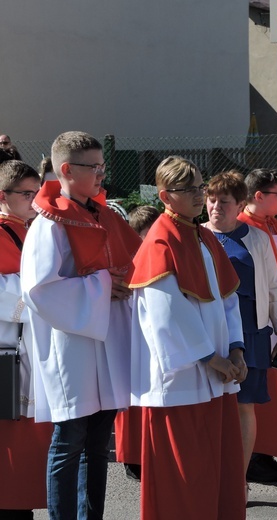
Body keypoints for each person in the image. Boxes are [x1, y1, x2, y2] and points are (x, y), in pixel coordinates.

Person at [20, 131, 141, 519]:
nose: (102, 174)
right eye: (94, 167)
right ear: (68, 170)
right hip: (71, 346)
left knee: (96, 442)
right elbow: (40, 290)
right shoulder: (49, 223)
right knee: (69, 440)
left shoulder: (104, 214)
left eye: (103, 166)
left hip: (107, 341)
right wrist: (105, 285)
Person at [127, 156, 247, 520]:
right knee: (185, 475)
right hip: (183, 380)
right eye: (190, 189)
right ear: (166, 195)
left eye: (201, 186)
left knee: (216, 468)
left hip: (218, 374)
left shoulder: (204, 236)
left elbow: (228, 298)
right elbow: (167, 316)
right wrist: (213, 359)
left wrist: (237, 351)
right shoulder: (160, 242)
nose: (200, 195)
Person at [203, 170, 277, 494]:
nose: (215, 207)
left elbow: (272, 288)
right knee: (211, 409)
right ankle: (213, 478)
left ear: (240, 204)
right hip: (211, 336)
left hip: (252, 333)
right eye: (211, 200)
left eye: (224, 202)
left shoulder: (256, 238)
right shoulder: (197, 236)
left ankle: (237, 482)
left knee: (244, 407)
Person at [237, 168, 277, 483]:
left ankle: (267, 452)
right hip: (260, 320)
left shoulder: (273, 224)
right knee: (256, 392)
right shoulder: (244, 228)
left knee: (272, 392)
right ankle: (256, 457)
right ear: (259, 196)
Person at [0, 161, 53, 519]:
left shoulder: (30, 230)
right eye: (26, 194)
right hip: (8, 349)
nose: (34, 201)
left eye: (37, 193)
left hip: (31, 347)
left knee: (29, 444)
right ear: (3, 196)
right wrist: (44, 292)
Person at [113, 204, 160, 483]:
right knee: (129, 401)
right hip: (129, 337)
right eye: (144, 235)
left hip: (150, 338)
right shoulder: (126, 262)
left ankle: (149, 452)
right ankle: (130, 455)